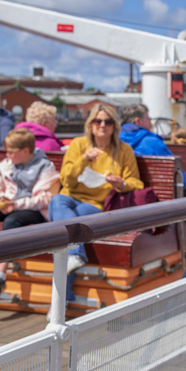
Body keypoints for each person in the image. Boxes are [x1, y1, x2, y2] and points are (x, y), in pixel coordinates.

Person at [48, 104, 143, 274]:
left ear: (114, 126)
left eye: (108, 122)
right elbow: (66, 179)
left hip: (96, 203)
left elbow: (137, 182)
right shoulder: (78, 145)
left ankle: (65, 295)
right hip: (69, 197)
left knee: (62, 229)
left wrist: (122, 184)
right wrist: (84, 159)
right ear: (90, 124)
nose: (102, 125)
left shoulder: (123, 150)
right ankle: (75, 255)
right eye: (98, 121)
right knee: (57, 201)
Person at [0, 128, 60, 298]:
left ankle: (0, 275)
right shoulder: (6, 165)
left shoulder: (46, 167)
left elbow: (46, 198)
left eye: (11, 152)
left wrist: (17, 204)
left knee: (12, 222)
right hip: (8, 206)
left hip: (32, 210)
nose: (8, 155)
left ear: (25, 151)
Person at [119, 104, 186, 194]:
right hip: (154, 195)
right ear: (138, 121)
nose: (150, 123)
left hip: (122, 194)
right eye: (148, 119)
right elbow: (177, 171)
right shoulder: (152, 142)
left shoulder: (114, 141)